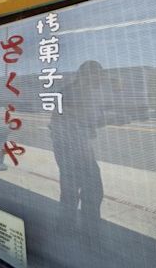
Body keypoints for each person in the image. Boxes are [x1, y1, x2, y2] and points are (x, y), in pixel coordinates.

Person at [49, 60, 113, 229]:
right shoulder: (74, 93)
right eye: (98, 74)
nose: (101, 78)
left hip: (74, 148)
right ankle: (86, 230)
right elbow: (69, 122)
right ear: (87, 76)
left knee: (74, 191)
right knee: (88, 190)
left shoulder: (80, 92)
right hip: (73, 149)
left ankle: (69, 226)